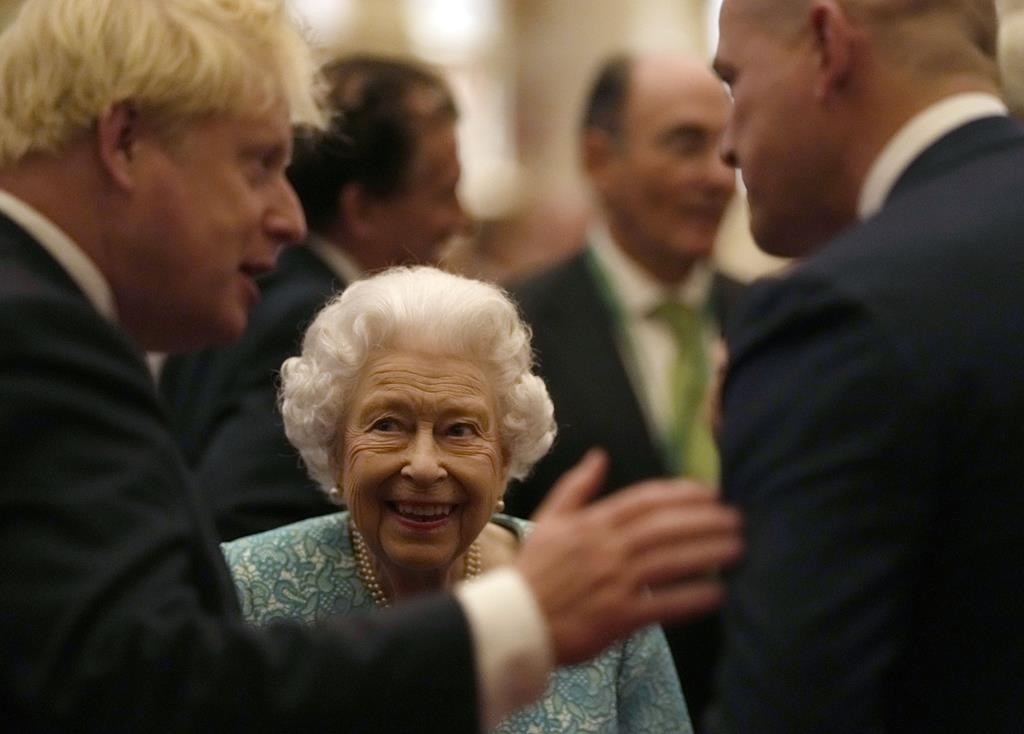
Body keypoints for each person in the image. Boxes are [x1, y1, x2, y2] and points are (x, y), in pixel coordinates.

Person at [0, 1, 747, 731]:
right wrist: (519, 618)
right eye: (258, 163)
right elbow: (144, 691)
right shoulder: (31, 338)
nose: (291, 218)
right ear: (124, 142)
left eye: (460, 430)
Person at [711, 0, 1024, 732]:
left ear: (827, 43)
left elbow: (791, 710)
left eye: (734, 81)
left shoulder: (837, 318)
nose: (726, 145)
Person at [223, 265, 693, 733]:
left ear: (506, 455)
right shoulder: (241, 589)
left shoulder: (595, 587)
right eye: (388, 425)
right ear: (334, 446)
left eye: (460, 431)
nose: (425, 466)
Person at [505, 51, 742, 725]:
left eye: (727, 151)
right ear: (599, 158)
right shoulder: (512, 332)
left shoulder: (778, 321)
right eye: (683, 144)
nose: (714, 178)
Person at [160, 53, 471, 540]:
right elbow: (245, 516)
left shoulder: (248, 293)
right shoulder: (316, 325)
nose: (461, 221)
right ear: (362, 208)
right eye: (444, 194)